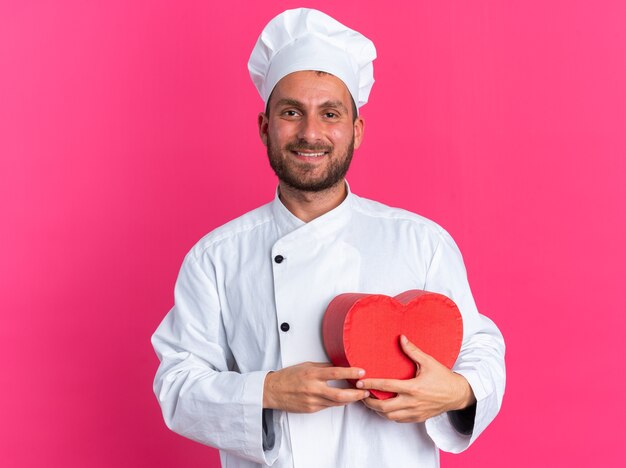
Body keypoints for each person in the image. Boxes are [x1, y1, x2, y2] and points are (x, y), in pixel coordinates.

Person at [152, 8, 505, 468]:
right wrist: (269, 389)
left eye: (331, 113)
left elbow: (481, 346)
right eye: (292, 112)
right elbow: (177, 383)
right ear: (265, 128)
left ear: (355, 131)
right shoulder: (216, 257)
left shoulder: (422, 242)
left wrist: (458, 391)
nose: (311, 133)